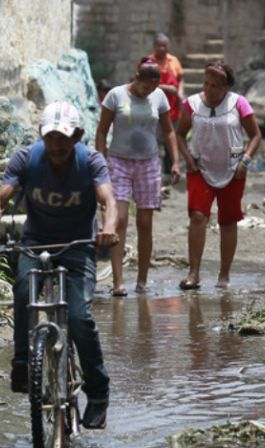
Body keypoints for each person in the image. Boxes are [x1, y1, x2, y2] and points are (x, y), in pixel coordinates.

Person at [0, 101, 119, 429]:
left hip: (79, 247)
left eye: (63, 139)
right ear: (41, 136)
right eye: (50, 138)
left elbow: (108, 200)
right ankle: (23, 362)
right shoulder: (27, 159)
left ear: (78, 136)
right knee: (23, 292)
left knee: (79, 317)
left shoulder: (91, 161)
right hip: (36, 243)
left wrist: (109, 228)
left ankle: (97, 393)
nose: (56, 145)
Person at [96, 57, 180, 296]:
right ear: (137, 77)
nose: (149, 91)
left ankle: (142, 281)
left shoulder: (159, 97)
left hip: (149, 164)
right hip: (119, 162)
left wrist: (174, 162)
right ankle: (118, 282)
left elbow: (168, 131)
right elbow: (101, 131)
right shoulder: (115, 96)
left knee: (145, 223)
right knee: (119, 218)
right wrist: (101, 162)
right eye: (146, 87)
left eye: (154, 87)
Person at [176, 61, 262, 290]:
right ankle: (193, 273)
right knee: (197, 217)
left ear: (226, 87)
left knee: (228, 221)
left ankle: (224, 276)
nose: (208, 89)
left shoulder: (239, 104)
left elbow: (255, 136)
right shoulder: (192, 104)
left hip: (233, 170)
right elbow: (180, 134)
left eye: (214, 85)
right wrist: (187, 158)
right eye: (206, 83)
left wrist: (245, 160)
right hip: (200, 169)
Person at [148, 33, 184, 177]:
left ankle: (170, 172)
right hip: (154, 110)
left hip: (172, 109)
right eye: (159, 45)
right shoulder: (148, 62)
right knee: (155, 140)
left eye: (165, 46)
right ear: (154, 46)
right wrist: (166, 88)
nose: (162, 48)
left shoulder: (173, 61)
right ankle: (155, 172)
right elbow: (145, 83)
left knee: (171, 139)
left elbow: (181, 79)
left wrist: (180, 93)